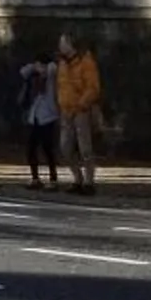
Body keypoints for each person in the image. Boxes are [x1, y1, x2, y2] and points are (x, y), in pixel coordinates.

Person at [57, 33, 103, 196]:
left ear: (71, 45)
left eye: (62, 43)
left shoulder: (86, 62)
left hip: (81, 110)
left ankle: (89, 182)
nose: (60, 46)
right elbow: (61, 86)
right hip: (66, 110)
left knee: (85, 148)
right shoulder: (62, 63)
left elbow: (93, 88)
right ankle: (78, 177)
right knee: (65, 147)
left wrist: (81, 104)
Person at [18, 45, 62, 188]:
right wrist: (34, 67)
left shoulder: (51, 77)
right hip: (35, 116)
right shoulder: (34, 77)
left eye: (40, 65)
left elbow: (53, 68)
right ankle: (35, 178)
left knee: (48, 149)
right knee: (30, 148)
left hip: (48, 116)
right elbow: (23, 72)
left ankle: (53, 179)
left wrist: (46, 67)